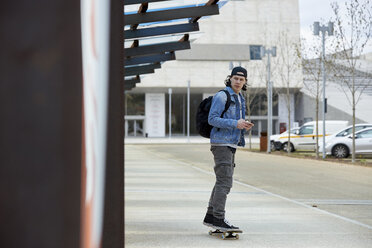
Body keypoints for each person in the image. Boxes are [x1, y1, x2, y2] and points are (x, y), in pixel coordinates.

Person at [203, 66, 254, 231]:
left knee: (222, 181)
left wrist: (243, 125)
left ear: (245, 81)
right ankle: (219, 218)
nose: (238, 82)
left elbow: (235, 121)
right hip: (221, 143)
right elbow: (212, 119)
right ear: (230, 79)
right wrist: (235, 123)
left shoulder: (240, 98)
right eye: (235, 78)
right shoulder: (222, 96)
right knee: (225, 182)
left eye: (241, 79)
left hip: (231, 143)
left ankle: (211, 216)